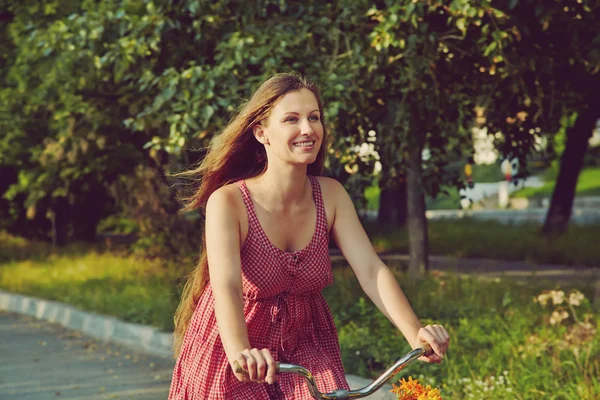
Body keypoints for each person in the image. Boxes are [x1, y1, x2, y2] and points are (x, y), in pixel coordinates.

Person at [168, 72, 450, 400]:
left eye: (313, 117)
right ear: (262, 133)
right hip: (236, 346)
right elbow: (227, 287)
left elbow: (372, 271)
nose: (308, 129)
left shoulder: (330, 195)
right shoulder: (230, 202)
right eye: (292, 119)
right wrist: (240, 353)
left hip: (305, 345)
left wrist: (415, 333)